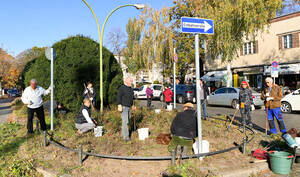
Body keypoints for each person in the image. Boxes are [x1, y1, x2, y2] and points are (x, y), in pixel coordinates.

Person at [117, 77, 134, 141]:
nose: (131, 82)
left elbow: (132, 98)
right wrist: (119, 105)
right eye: (130, 81)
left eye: (132, 81)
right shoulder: (122, 88)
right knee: (125, 122)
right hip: (123, 107)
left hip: (129, 107)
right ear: (126, 81)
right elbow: (118, 96)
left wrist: (132, 105)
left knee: (126, 121)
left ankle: (122, 135)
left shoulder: (131, 89)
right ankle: (126, 138)